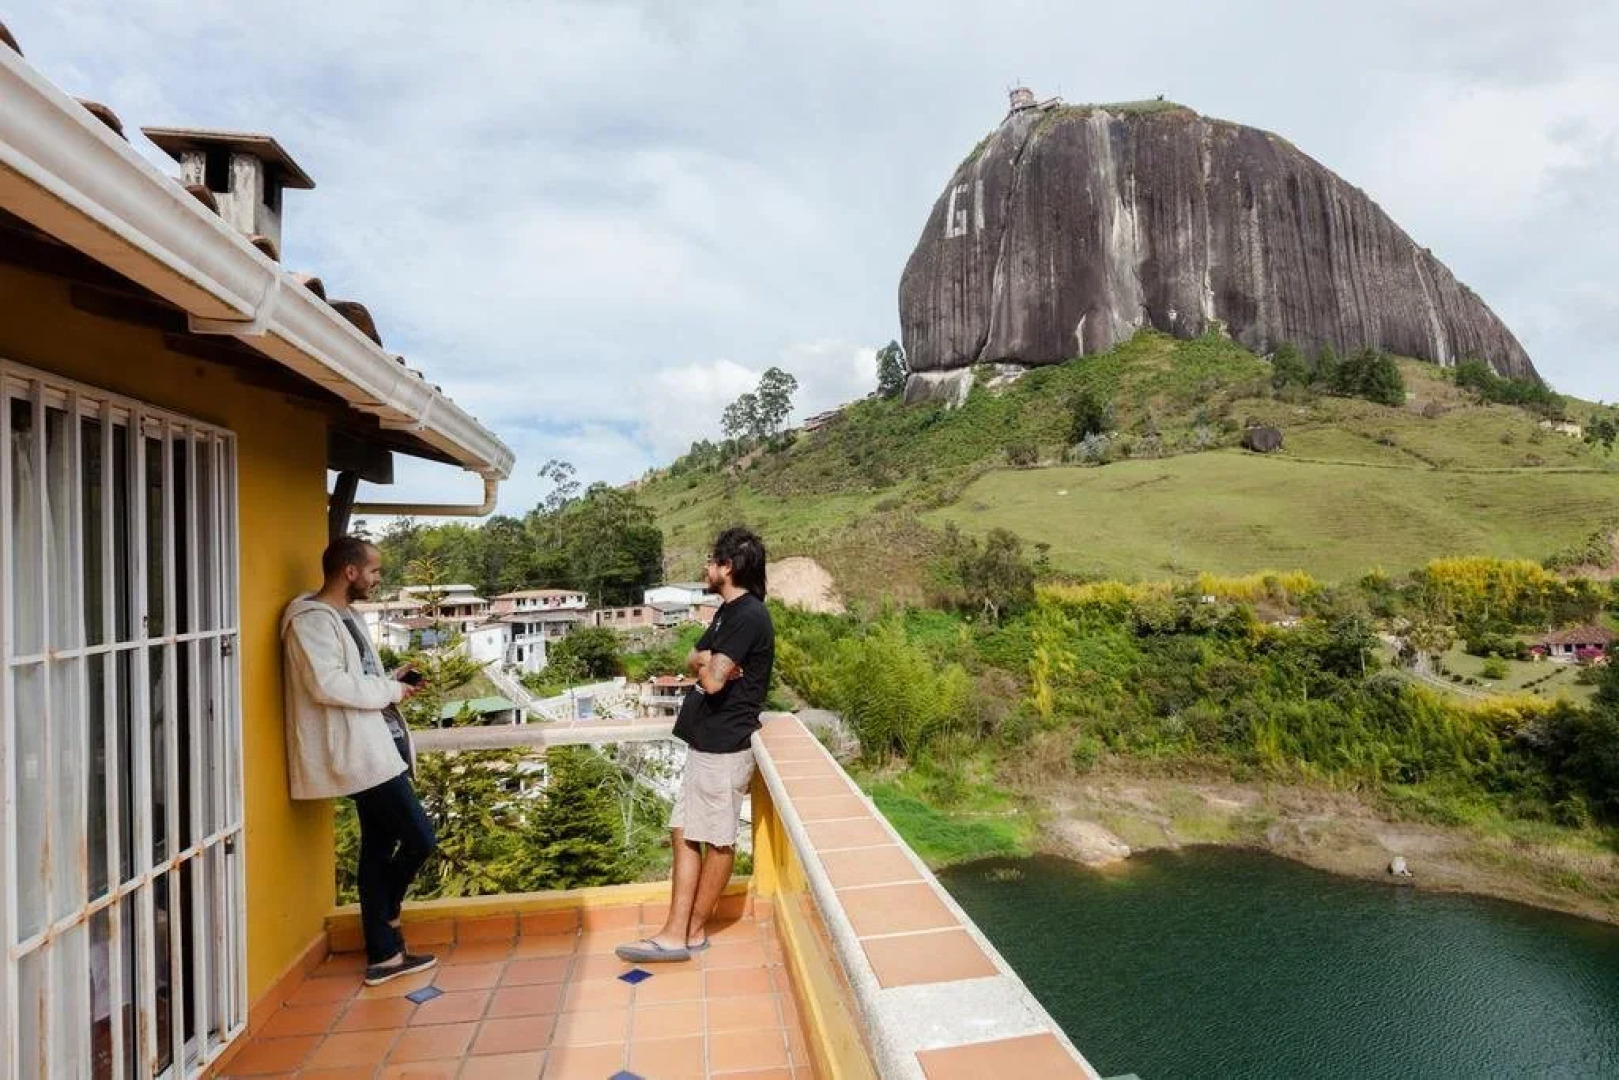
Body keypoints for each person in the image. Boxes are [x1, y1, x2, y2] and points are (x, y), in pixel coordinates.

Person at [281, 536, 439, 985]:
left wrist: (392, 681)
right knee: (420, 838)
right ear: (349, 571)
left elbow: (356, 680)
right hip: (355, 754)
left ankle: (384, 956)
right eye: (373, 571)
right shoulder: (309, 620)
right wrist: (388, 691)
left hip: (375, 744)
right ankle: (387, 915)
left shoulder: (346, 616)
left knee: (376, 848)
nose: (376, 579)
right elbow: (327, 685)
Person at [617, 527, 774, 963]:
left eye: (712, 561)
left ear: (729, 567)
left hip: (725, 745)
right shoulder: (727, 612)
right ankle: (677, 930)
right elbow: (694, 657)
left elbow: (710, 680)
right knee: (684, 832)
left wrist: (709, 665)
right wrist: (708, 660)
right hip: (707, 742)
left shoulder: (747, 617)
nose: (706, 568)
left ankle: (690, 930)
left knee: (718, 841)